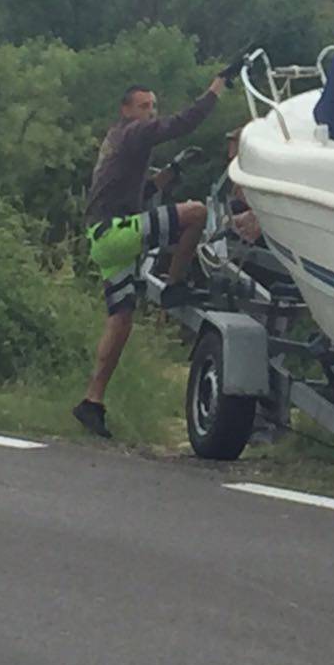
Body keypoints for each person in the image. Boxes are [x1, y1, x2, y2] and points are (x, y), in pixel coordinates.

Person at [73, 69, 231, 439]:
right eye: (144, 106)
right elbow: (182, 123)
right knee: (196, 214)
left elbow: (136, 194)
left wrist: (173, 171)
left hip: (104, 239)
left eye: (154, 106)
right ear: (126, 110)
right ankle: (175, 285)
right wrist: (217, 87)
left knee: (120, 319)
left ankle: (92, 401)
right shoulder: (133, 132)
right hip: (115, 234)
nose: (151, 112)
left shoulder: (117, 143)